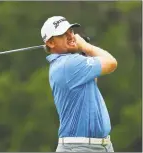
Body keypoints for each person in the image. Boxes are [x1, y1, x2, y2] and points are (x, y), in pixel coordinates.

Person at [41, 16, 117, 152]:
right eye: (63, 34)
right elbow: (111, 63)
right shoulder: (67, 64)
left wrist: (84, 52)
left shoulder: (68, 63)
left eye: (71, 31)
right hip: (79, 147)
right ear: (51, 43)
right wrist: (85, 46)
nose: (71, 36)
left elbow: (92, 80)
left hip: (101, 146)